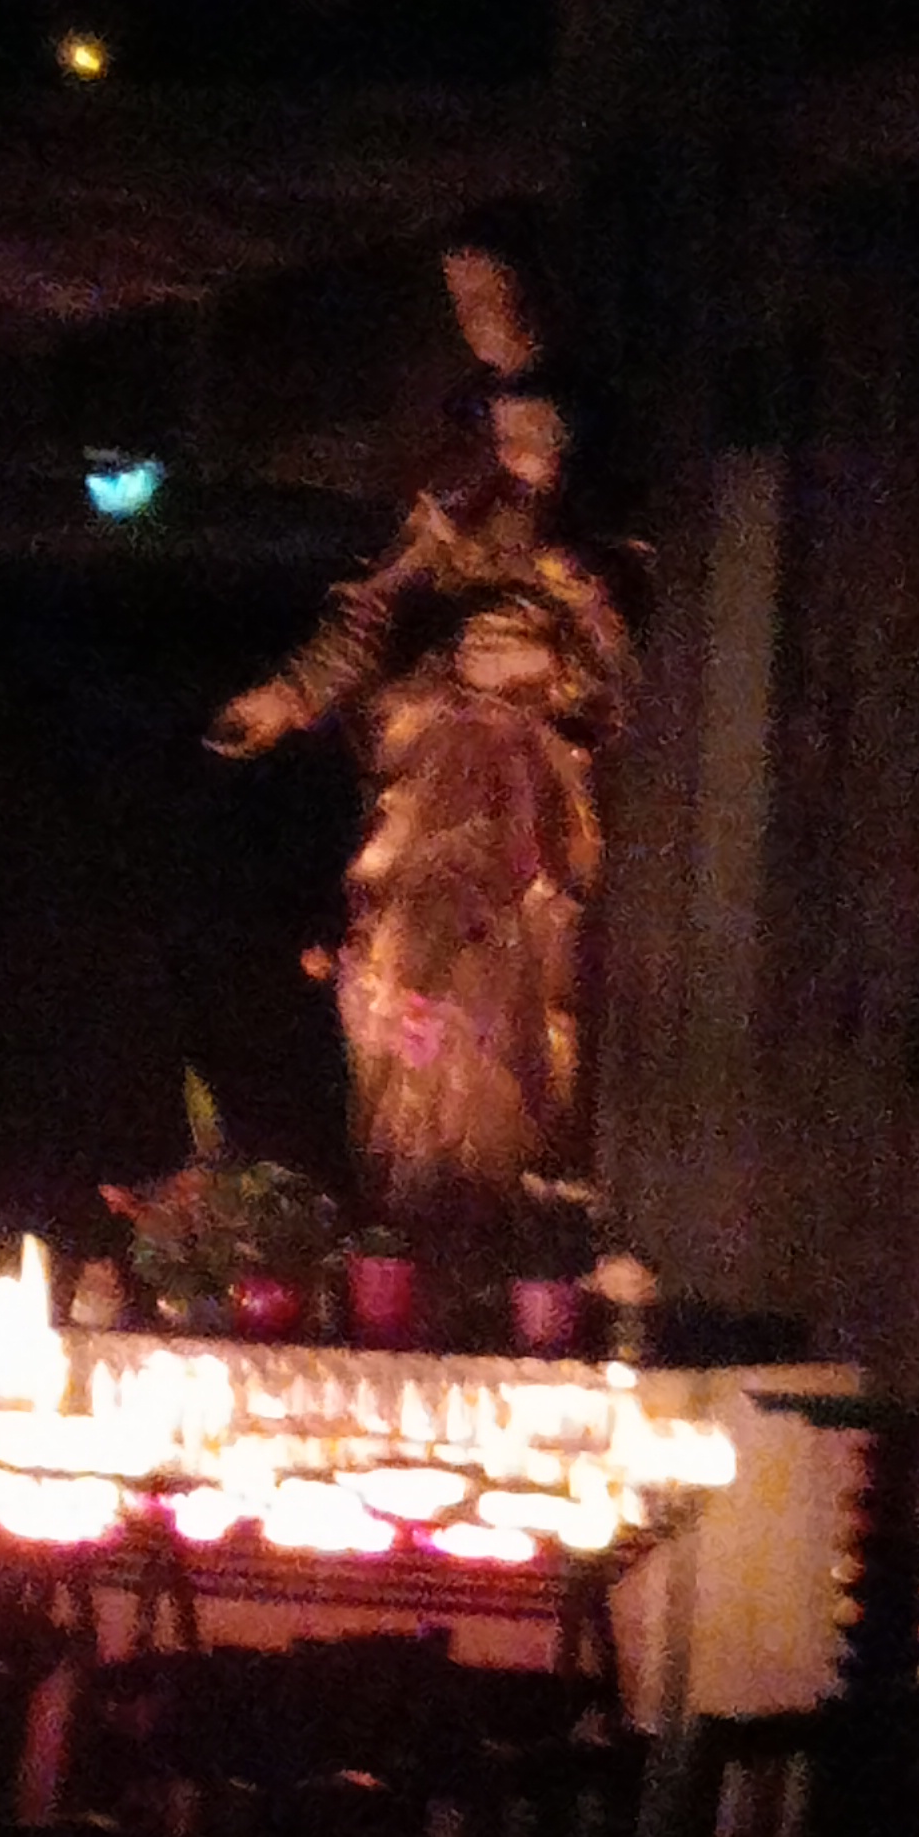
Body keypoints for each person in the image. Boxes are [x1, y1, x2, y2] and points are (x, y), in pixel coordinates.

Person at [208, 247, 649, 1233]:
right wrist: (292, 693)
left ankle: (507, 1185)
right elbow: (374, 607)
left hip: (531, 772)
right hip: (437, 753)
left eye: (494, 298)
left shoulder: (597, 540)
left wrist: (552, 630)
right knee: (403, 958)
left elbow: (622, 662)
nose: (521, 450)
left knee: (517, 978)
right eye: (464, 304)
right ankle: (407, 1169)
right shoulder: (458, 505)